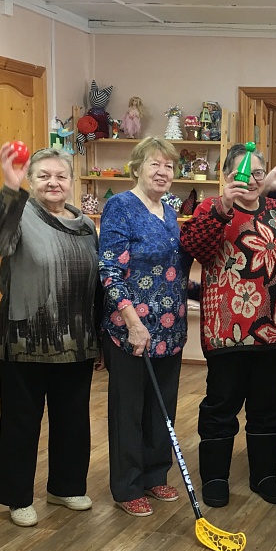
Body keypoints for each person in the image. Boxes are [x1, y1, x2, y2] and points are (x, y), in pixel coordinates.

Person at [181, 143, 276, 508]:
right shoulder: (210, 209)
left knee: (269, 407)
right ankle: (215, 477)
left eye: (257, 173)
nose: (250, 181)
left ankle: (265, 474)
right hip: (225, 331)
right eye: (241, 174)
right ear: (226, 176)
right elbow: (196, 248)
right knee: (221, 406)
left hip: (275, 330)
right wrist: (223, 206)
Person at [0, 145, 101, 527]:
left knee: (73, 419)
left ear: (71, 181)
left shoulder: (85, 225)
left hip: (76, 339)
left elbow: (97, 282)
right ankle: (17, 498)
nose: (53, 182)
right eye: (43, 175)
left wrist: (98, 335)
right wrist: (9, 188)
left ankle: (66, 487)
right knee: (21, 422)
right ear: (30, 181)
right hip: (26, 339)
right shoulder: (20, 213)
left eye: (60, 175)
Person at [99, 137, 190, 517]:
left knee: (161, 407)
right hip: (132, 330)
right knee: (129, 409)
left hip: (170, 329)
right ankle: (127, 485)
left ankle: (155, 474)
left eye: (168, 166)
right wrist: (133, 323)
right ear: (136, 167)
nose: (162, 172)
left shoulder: (168, 210)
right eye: (154, 164)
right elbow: (109, 269)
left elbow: (173, 267)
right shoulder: (120, 206)